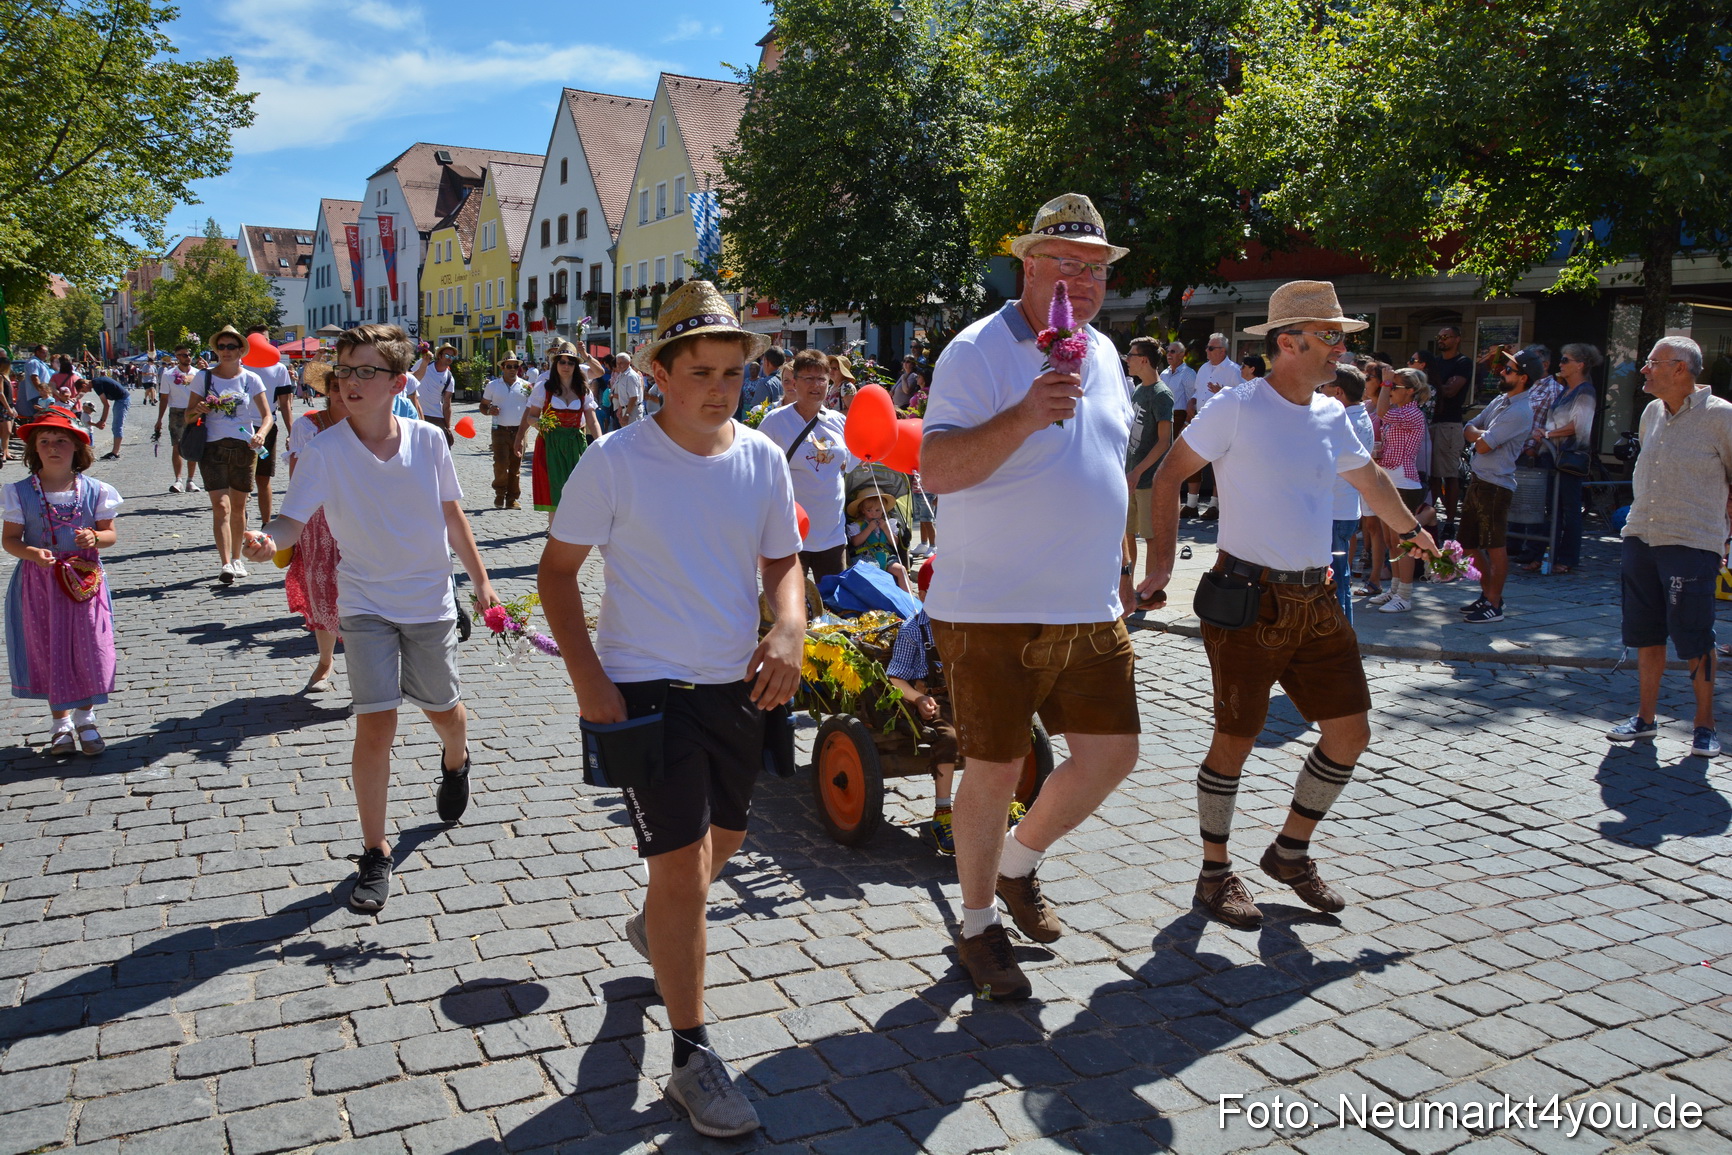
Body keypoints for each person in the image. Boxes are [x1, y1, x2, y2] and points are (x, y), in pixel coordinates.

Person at [537, 281, 802, 1139]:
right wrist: (588, 679)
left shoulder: (763, 456)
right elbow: (556, 573)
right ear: (659, 372)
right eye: (702, 371)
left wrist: (790, 626)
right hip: (648, 693)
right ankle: (692, 1056)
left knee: (726, 842)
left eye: (734, 371)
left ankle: (659, 924)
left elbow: (783, 563)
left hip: (738, 686)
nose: (722, 387)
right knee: (683, 870)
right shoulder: (614, 460)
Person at [1140, 279, 1439, 928]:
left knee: (1350, 732)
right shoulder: (1238, 407)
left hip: (1319, 596)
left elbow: (1373, 480)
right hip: (1249, 597)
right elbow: (1168, 475)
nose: (1341, 349)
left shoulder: (1332, 414)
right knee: (1234, 740)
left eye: (1341, 336)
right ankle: (1215, 872)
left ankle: (1290, 849)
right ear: (1288, 341)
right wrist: (1160, 565)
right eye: (1331, 337)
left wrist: (1415, 531)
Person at [921, 193, 1140, 1000]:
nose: (1078, 280)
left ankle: (1017, 865)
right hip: (991, 608)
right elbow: (936, 470)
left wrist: (1121, 560)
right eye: (1062, 263)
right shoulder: (976, 350)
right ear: (1027, 265)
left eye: (1093, 268)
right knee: (994, 766)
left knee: (1112, 755)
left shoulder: (1107, 353)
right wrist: (1021, 414)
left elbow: (1104, 464)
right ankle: (977, 926)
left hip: (1089, 604)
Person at [242, 323, 502, 912]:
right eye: (345, 371)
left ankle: (456, 759)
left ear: (399, 382)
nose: (351, 383)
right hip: (362, 604)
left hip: (429, 601)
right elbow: (291, 521)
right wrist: (267, 541)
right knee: (375, 724)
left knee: (445, 712)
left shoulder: (429, 441)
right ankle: (376, 851)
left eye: (366, 371)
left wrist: (482, 583)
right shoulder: (322, 451)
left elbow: (454, 515)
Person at [1606, 336, 1732, 758]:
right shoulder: (1651, 412)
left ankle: (1704, 723)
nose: (1644, 369)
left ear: (1680, 368)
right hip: (1642, 535)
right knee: (1645, 632)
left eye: (1652, 363)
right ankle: (1645, 718)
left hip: (1693, 539)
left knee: (1695, 635)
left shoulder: (1722, 416)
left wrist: (1725, 539)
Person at [3, 407, 121, 756]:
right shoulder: (19, 492)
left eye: (61, 441)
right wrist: (31, 553)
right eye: (45, 441)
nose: (53, 447)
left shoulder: (96, 490)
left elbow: (110, 534)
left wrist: (95, 539)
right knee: (48, 648)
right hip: (39, 584)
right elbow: (9, 539)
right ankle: (61, 725)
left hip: (84, 584)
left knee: (89, 645)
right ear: (34, 449)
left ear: (77, 448)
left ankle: (87, 719)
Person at [184, 327, 272, 585]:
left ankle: (237, 558)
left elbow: (267, 416)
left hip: (245, 447)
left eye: (230, 347)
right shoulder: (204, 378)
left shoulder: (251, 379)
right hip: (212, 447)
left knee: (238, 508)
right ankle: (225, 563)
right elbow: (188, 416)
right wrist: (198, 409)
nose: (225, 351)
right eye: (221, 346)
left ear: (241, 350)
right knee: (220, 506)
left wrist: (262, 434)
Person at [1456, 348, 1537, 624]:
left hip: (1496, 486)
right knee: (1467, 544)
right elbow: (1469, 427)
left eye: (1509, 369)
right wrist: (1480, 436)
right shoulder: (1502, 401)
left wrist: (1479, 436)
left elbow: (1482, 443)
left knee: (1494, 545)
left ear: (1523, 378)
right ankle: (1488, 593)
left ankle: (1494, 603)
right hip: (1479, 480)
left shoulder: (1520, 410)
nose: (1502, 371)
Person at [886, 560, 960, 854]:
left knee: (1005, 726)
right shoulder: (913, 630)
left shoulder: (968, 624)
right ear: (926, 593)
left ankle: (1005, 800)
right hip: (937, 698)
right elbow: (896, 678)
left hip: (968, 694)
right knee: (949, 738)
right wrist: (917, 699)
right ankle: (943, 812)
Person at [759, 348, 851, 583]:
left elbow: (851, 464)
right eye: (808, 378)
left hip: (831, 533)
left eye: (822, 379)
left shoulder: (839, 422)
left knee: (833, 609)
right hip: (790, 532)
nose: (816, 385)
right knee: (789, 609)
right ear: (794, 383)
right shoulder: (775, 421)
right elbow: (758, 468)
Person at [283, 364, 345, 694]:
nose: (343, 393)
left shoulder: (371, 422)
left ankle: (370, 675)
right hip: (319, 519)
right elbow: (298, 480)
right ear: (327, 390)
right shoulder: (309, 425)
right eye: (335, 386)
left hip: (362, 516)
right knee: (323, 591)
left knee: (364, 591)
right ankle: (325, 660)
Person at [1526, 343, 1603, 574]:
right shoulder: (1564, 390)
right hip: (1550, 455)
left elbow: (1578, 426)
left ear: (1580, 365)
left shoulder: (1585, 391)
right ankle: (1537, 555)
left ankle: (1567, 558)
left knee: (1569, 509)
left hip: (1569, 457)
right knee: (1547, 507)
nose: (1560, 364)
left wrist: (1547, 434)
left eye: (1565, 360)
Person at [1364, 368, 1431, 610]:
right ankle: (1394, 589)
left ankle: (1405, 594)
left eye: (1395, 387)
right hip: (1391, 479)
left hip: (1404, 481)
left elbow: (1381, 411)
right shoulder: (1402, 412)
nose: (1390, 391)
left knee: (1404, 543)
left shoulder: (1412, 414)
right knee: (1392, 540)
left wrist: (1385, 382)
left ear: (1411, 392)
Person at [519, 340, 605, 521]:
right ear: (556, 363)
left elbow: (592, 420)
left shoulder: (583, 389)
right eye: (562, 361)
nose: (566, 366)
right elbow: (531, 416)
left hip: (574, 443)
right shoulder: (544, 387)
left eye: (571, 362)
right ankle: (555, 531)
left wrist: (600, 444)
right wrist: (541, 424)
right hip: (550, 444)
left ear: (576, 365)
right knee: (556, 490)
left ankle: (575, 531)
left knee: (578, 488)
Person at [1123, 336, 1174, 613]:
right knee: (1127, 534)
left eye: (1131, 355)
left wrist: (1139, 471)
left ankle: (1151, 592)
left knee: (1151, 536)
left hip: (1148, 479)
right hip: (1129, 476)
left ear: (1144, 359)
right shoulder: (1137, 390)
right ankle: (1129, 588)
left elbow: (1164, 441)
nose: (1127, 360)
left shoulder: (1161, 394)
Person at [1321, 365, 1375, 620]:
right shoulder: (1360, 415)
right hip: (1344, 508)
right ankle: (1344, 633)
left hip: (1336, 510)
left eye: (1325, 387)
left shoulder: (1345, 421)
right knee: (1339, 576)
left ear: (1338, 392)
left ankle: (1340, 635)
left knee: (1333, 579)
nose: (1320, 391)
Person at [1418, 326, 1473, 528]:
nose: (1441, 340)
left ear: (1457, 339)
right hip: (1429, 423)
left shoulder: (1463, 363)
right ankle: (1431, 519)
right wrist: (1438, 385)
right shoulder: (1436, 362)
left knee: (1449, 474)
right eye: (1438, 336)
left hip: (1449, 424)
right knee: (1432, 475)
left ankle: (1450, 522)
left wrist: (1432, 385)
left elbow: (1450, 391)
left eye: (1446, 337)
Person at [1185, 333, 1238, 519]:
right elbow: (1198, 391)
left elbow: (1241, 398)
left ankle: (1214, 506)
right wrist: (1191, 402)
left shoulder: (1234, 370)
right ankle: (1191, 504)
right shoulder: (1203, 369)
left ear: (1222, 351)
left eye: (1211, 348)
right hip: (1202, 420)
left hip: (1222, 424)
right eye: (1207, 347)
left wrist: (1222, 391)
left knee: (1218, 465)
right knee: (1195, 461)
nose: (1206, 351)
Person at [247, 328, 295, 526]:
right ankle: (240, 522)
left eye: (266, 340)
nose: (264, 345)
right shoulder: (239, 365)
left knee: (263, 478)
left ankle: (266, 524)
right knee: (241, 480)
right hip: (240, 428)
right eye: (259, 340)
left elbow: (285, 404)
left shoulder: (278, 368)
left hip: (267, 429)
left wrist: (293, 433)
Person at [479, 355, 533, 509]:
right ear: (502, 368)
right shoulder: (493, 386)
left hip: (519, 431)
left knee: (516, 467)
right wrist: (490, 410)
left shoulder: (526, 386)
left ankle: (512, 499)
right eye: (508, 366)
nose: (512, 370)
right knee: (501, 464)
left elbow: (533, 408)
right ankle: (500, 493)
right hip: (499, 431)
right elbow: (482, 406)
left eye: (515, 366)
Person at [153, 343, 202, 494]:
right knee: (177, 446)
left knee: (193, 445)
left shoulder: (198, 373)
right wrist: (159, 419)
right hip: (177, 412)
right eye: (183, 355)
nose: (187, 357)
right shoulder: (168, 375)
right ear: (177, 357)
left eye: (188, 354)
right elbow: (164, 398)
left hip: (194, 411)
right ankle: (178, 480)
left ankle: (191, 480)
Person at [846, 491, 910, 591]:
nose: (873, 514)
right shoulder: (857, 525)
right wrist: (869, 529)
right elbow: (855, 542)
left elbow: (896, 543)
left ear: (883, 510)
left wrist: (886, 529)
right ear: (862, 510)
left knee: (901, 570)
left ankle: (908, 599)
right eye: (869, 510)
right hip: (865, 557)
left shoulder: (888, 524)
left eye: (877, 510)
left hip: (887, 556)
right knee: (872, 570)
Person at [411, 345, 457, 445]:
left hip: (435, 416)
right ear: (440, 356)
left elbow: (447, 404)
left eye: (452, 356)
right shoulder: (424, 363)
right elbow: (411, 378)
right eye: (447, 355)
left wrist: (447, 426)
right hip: (416, 412)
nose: (450, 358)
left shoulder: (449, 378)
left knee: (439, 449)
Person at [88, 373, 130, 461]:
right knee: (116, 426)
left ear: (85, 384)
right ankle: (115, 452)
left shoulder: (96, 385)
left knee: (117, 426)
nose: (88, 391)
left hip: (122, 400)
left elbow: (106, 405)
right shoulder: (96, 381)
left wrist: (102, 421)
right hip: (120, 399)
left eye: (84, 389)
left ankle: (115, 453)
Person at [736, 347, 783, 419]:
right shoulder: (785, 380)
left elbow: (755, 412)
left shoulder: (764, 383)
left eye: (763, 361)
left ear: (767, 362)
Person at [610, 353, 645, 428]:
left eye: (621, 363)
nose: (619, 365)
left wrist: (627, 414)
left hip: (633, 411)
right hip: (625, 409)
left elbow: (634, 397)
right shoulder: (621, 375)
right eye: (617, 363)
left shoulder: (631, 376)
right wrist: (620, 409)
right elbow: (623, 395)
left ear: (628, 363)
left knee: (634, 436)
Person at [0, 351, 16, 462]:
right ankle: (3, 452)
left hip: (9, 405)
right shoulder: (1, 377)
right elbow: (1, 393)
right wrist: (8, 408)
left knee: (8, 431)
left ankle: (6, 451)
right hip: (3, 406)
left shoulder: (7, 376)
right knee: (6, 430)